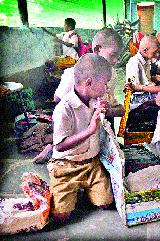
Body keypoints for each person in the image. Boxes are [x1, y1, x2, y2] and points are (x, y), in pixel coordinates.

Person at [33, 28, 125, 164]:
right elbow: (58, 100)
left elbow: (113, 104)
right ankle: (51, 149)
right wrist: (81, 108)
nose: (117, 60)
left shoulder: (112, 74)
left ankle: (103, 146)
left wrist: (107, 109)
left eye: (118, 56)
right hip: (76, 127)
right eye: (113, 55)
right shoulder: (75, 74)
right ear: (97, 49)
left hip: (95, 123)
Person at [48, 53, 114, 222]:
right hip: (66, 166)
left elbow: (104, 113)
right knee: (60, 215)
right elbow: (60, 146)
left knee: (106, 202)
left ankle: (82, 189)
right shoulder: (64, 108)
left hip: (91, 164)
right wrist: (90, 130)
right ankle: (66, 188)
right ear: (89, 83)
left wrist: (104, 109)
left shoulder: (94, 100)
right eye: (105, 83)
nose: (107, 88)